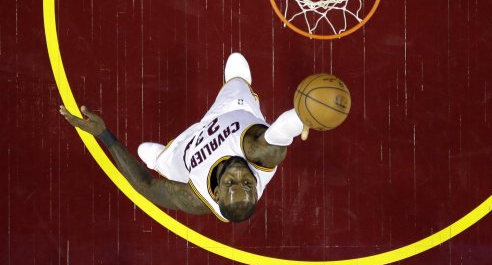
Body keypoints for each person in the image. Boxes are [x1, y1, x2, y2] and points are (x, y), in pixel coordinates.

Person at [60, 53, 308, 222]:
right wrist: (303, 116)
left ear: (217, 193)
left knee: (156, 158)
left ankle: (160, 159)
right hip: (231, 112)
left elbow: (146, 187)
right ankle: (237, 81)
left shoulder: (196, 197)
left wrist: (105, 135)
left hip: (187, 153)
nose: (239, 174)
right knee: (238, 79)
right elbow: (281, 131)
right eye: (247, 183)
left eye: (231, 183)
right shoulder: (260, 153)